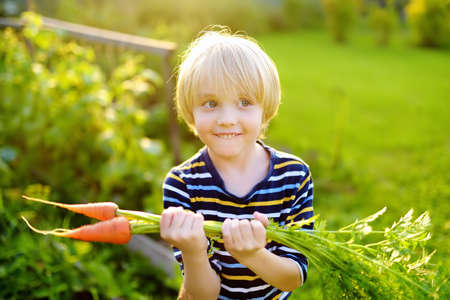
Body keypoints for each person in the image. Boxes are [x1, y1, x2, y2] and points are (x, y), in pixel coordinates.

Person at [160, 27, 314, 300]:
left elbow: (293, 278)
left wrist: (253, 254)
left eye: (244, 101)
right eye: (210, 103)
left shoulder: (293, 176)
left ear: (265, 109)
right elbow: (202, 295)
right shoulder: (182, 184)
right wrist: (194, 249)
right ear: (191, 111)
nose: (227, 119)